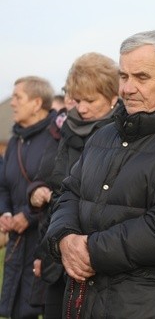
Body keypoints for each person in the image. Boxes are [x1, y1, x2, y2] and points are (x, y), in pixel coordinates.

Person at [44, 30, 155, 318]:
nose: (128, 88)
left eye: (141, 77)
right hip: (86, 303)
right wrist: (64, 238)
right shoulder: (104, 137)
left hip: (152, 307)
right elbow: (69, 193)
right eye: (124, 76)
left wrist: (90, 250)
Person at [28, 52, 120, 318]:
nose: (82, 108)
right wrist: (43, 253)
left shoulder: (123, 134)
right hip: (58, 255)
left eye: (91, 100)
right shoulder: (67, 130)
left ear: (114, 96)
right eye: (77, 100)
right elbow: (57, 194)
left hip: (97, 258)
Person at [0, 76, 59, 318]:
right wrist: (4, 212)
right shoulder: (15, 141)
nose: (12, 103)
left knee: (40, 307)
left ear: (36, 103)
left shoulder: (57, 139)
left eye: (17, 97)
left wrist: (27, 215)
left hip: (43, 239)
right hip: (16, 239)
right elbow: (3, 184)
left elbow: (56, 188)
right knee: (15, 309)